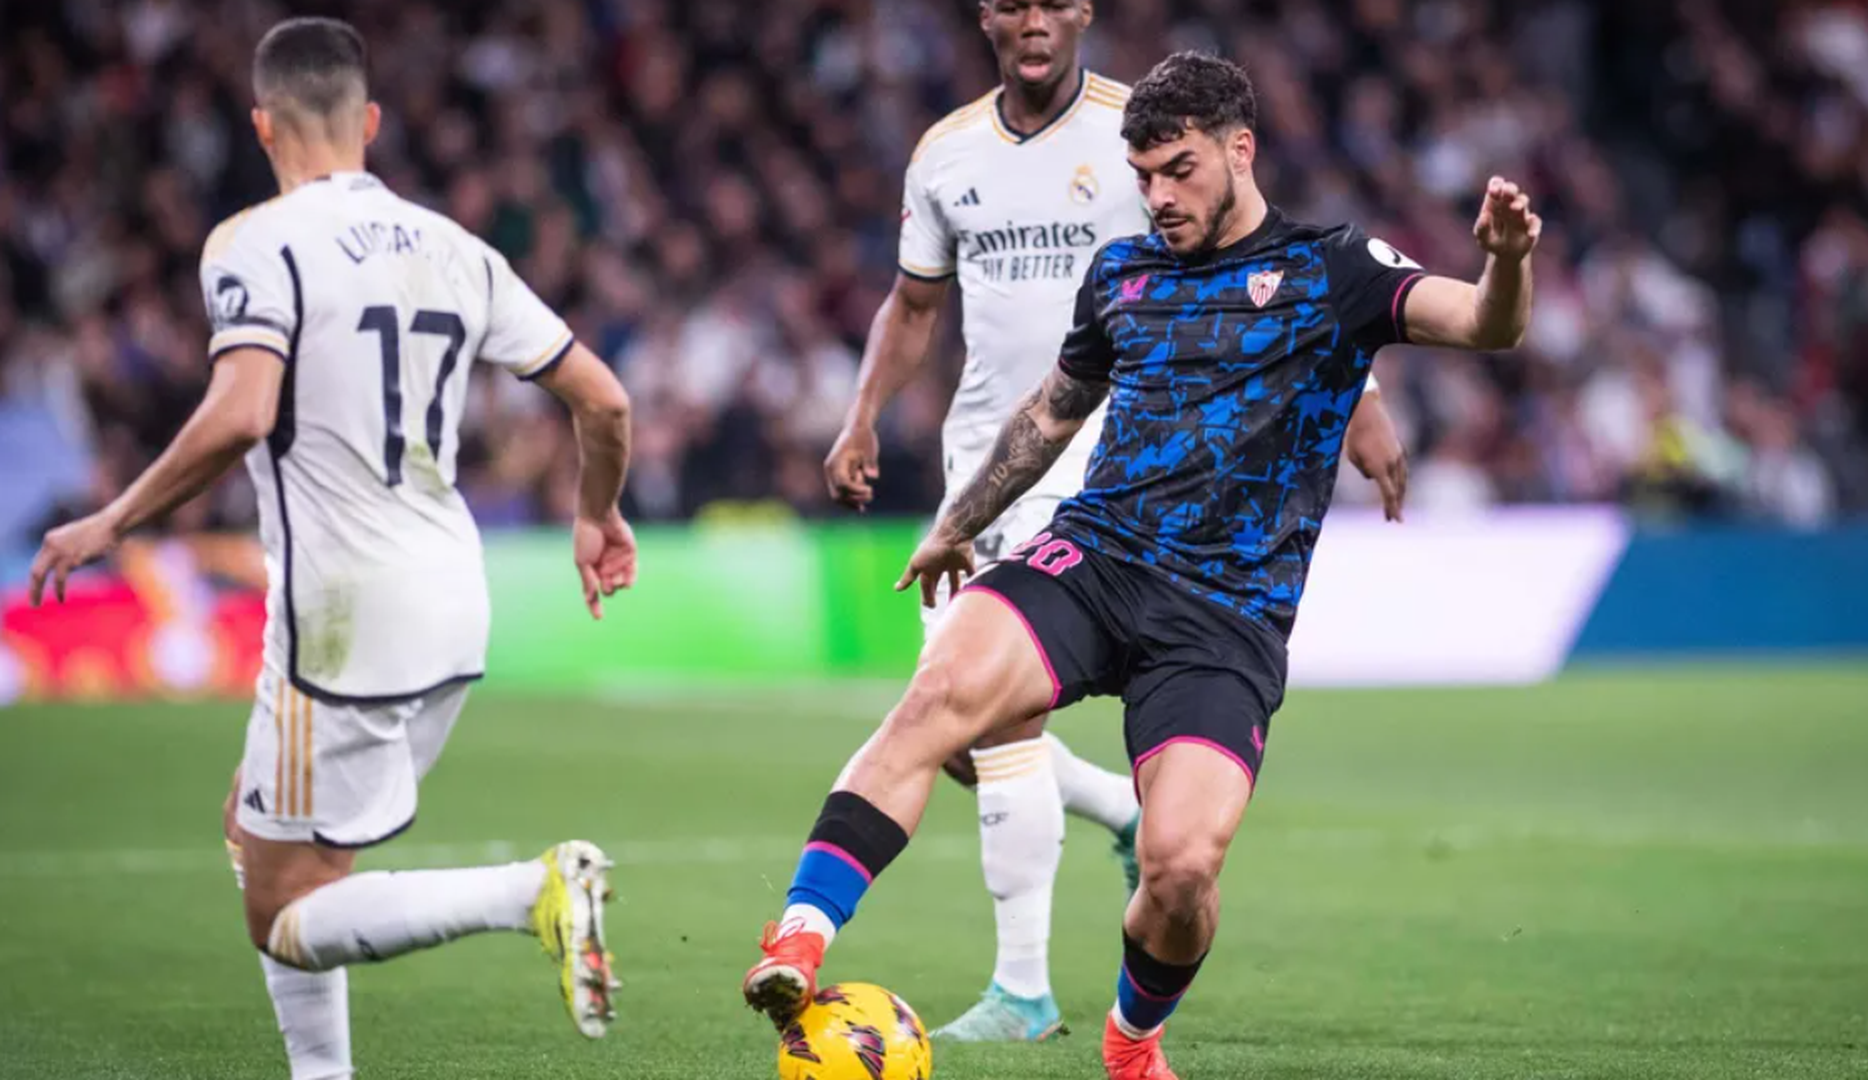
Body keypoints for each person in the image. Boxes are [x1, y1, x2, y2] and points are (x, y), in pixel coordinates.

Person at [747, 50, 1537, 1080]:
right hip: (1097, 558)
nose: (1158, 196)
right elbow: (1051, 413)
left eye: (1179, 171)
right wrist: (959, 520)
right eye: (1144, 176)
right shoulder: (1123, 273)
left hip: (1226, 615)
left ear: (1240, 150)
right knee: (936, 696)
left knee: (1181, 870)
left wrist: (1506, 261)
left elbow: (1485, 324)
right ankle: (799, 938)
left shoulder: (1334, 267)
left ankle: (1129, 1043)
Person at [28, 18, 637, 1079]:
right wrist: (598, 513)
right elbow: (606, 400)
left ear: (263, 126)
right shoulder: (460, 248)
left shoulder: (253, 243)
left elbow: (240, 411)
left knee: (281, 912)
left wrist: (113, 518)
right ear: (372, 122)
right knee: (265, 831)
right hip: (455, 600)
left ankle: (532, 889)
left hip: (342, 616)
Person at [823, 1, 1412, 1042]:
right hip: (995, 454)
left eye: (1051, 1)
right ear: (985, 17)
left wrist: (1357, 397)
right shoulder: (944, 154)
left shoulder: (1139, 127)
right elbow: (914, 306)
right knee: (958, 738)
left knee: (994, 728)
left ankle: (1023, 988)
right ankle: (1118, 811)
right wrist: (864, 414)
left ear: (1081, 12)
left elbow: (1268, 286)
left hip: (1121, 470)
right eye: (1011, 3)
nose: (1032, 21)